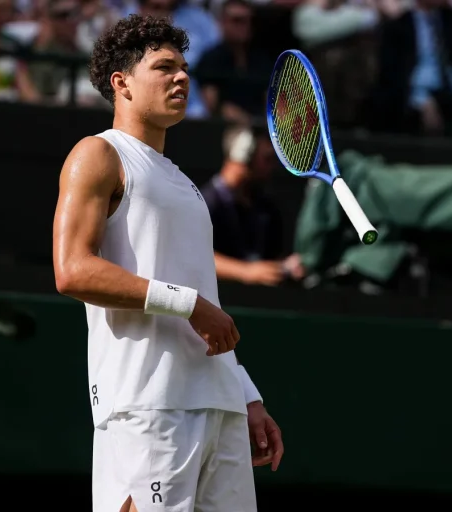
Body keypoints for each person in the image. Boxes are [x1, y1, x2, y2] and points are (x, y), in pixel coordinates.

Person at [52, 14, 283, 512]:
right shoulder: (98, 154)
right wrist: (189, 304)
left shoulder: (185, 183)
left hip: (218, 403)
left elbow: (201, 294)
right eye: (164, 67)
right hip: (148, 404)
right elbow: (72, 270)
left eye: (184, 68)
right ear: (122, 84)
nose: (181, 77)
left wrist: (245, 394)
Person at [201, 124, 305, 287]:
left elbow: (272, 256)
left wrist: (284, 267)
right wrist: (246, 272)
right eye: (267, 158)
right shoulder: (205, 203)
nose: (272, 167)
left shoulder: (267, 207)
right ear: (243, 156)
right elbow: (193, 255)